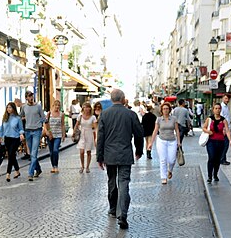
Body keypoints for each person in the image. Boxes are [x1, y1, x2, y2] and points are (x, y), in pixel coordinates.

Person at [96, 89, 143, 229]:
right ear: (123, 99)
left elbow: (101, 138)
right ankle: (122, 213)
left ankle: (112, 208)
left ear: (112, 99)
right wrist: (139, 150)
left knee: (111, 181)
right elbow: (139, 134)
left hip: (109, 155)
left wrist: (100, 157)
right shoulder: (130, 114)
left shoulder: (104, 114)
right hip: (125, 154)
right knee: (124, 183)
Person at [202, 102, 231, 184]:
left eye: (219, 108)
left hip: (220, 142)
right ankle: (209, 176)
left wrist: (230, 140)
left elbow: (227, 131)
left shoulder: (223, 120)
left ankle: (215, 174)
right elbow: (204, 128)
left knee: (217, 159)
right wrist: (208, 131)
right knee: (211, 157)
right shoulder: (209, 119)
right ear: (213, 110)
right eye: (216, 108)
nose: (217, 110)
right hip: (211, 141)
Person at [150, 102, 180, 185]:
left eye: (167, 109)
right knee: (163, 160)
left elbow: (177, 130)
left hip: (172, 140)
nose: (165, 110)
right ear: (161, 110)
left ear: (169, 110)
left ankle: (170, 170)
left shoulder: (174, 119)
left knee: (172, 160)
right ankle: (163, 177)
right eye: (164, 109)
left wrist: (178, 141)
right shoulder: (159, 119)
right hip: (161, 141)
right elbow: (155, 131)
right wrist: (151, 143)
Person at [20, 91, 45, 181]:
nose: (31, 98)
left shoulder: (38, 106)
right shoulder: (24, 107)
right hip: (28, 131)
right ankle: (38, 169)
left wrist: (44, 128)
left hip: (37, 131)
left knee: (34, 153)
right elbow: (21, 117)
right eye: (29, 97)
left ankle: (30, 173)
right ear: (26, 98)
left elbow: (43, 118)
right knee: (31, 154)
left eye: (32, 96)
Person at [0, 102, 23, 181]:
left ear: (13, 108)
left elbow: (21, 128)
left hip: (15, 138)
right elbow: (1, 129)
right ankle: (17, 170)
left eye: (10, 107)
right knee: (12, 156)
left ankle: (8, 173)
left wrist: (21, 134)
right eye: (7, 107)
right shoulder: (5, 118)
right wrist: (0, 137)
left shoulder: (17, 118)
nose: (9, 109)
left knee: (11, 154)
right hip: (7, 138)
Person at [75, 102, 97, 173]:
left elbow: (95, 127)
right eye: (85, 107)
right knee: (81, 152)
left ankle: (87, 167)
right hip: (82, 134)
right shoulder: (80, 116)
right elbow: (76, 124)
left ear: (90, 108)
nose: (87, 109)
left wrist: (96, 136)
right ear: (83, 108)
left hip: (89, 134)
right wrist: (74, 132)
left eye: (88, 107)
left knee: (88, 151)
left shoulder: (93, 117)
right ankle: (82, 166)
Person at [45, 99, 65, 173]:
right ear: (53, 106)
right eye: (56, 105)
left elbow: (62, 125)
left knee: (55, 150)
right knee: (51, 152)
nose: (57, 107)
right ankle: (53, 166)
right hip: (50, 135)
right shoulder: (49, 113)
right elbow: (46, 123)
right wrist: (47, 132)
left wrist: (63, 135)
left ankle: (56, 166)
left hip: (58, 134)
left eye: (58, 105)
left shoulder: (61, 114)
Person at [219, 94, 231, 165]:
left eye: (228, 99)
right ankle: (222, 159)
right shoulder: (222, 107)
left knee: (225, 145)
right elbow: (221, 118)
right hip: (224, 129)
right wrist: (223, 128)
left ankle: (223, 158)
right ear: (223, 98)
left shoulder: (226, 107)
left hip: (227, 128)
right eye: (226, 98)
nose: (227, 100)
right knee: (225, 144)